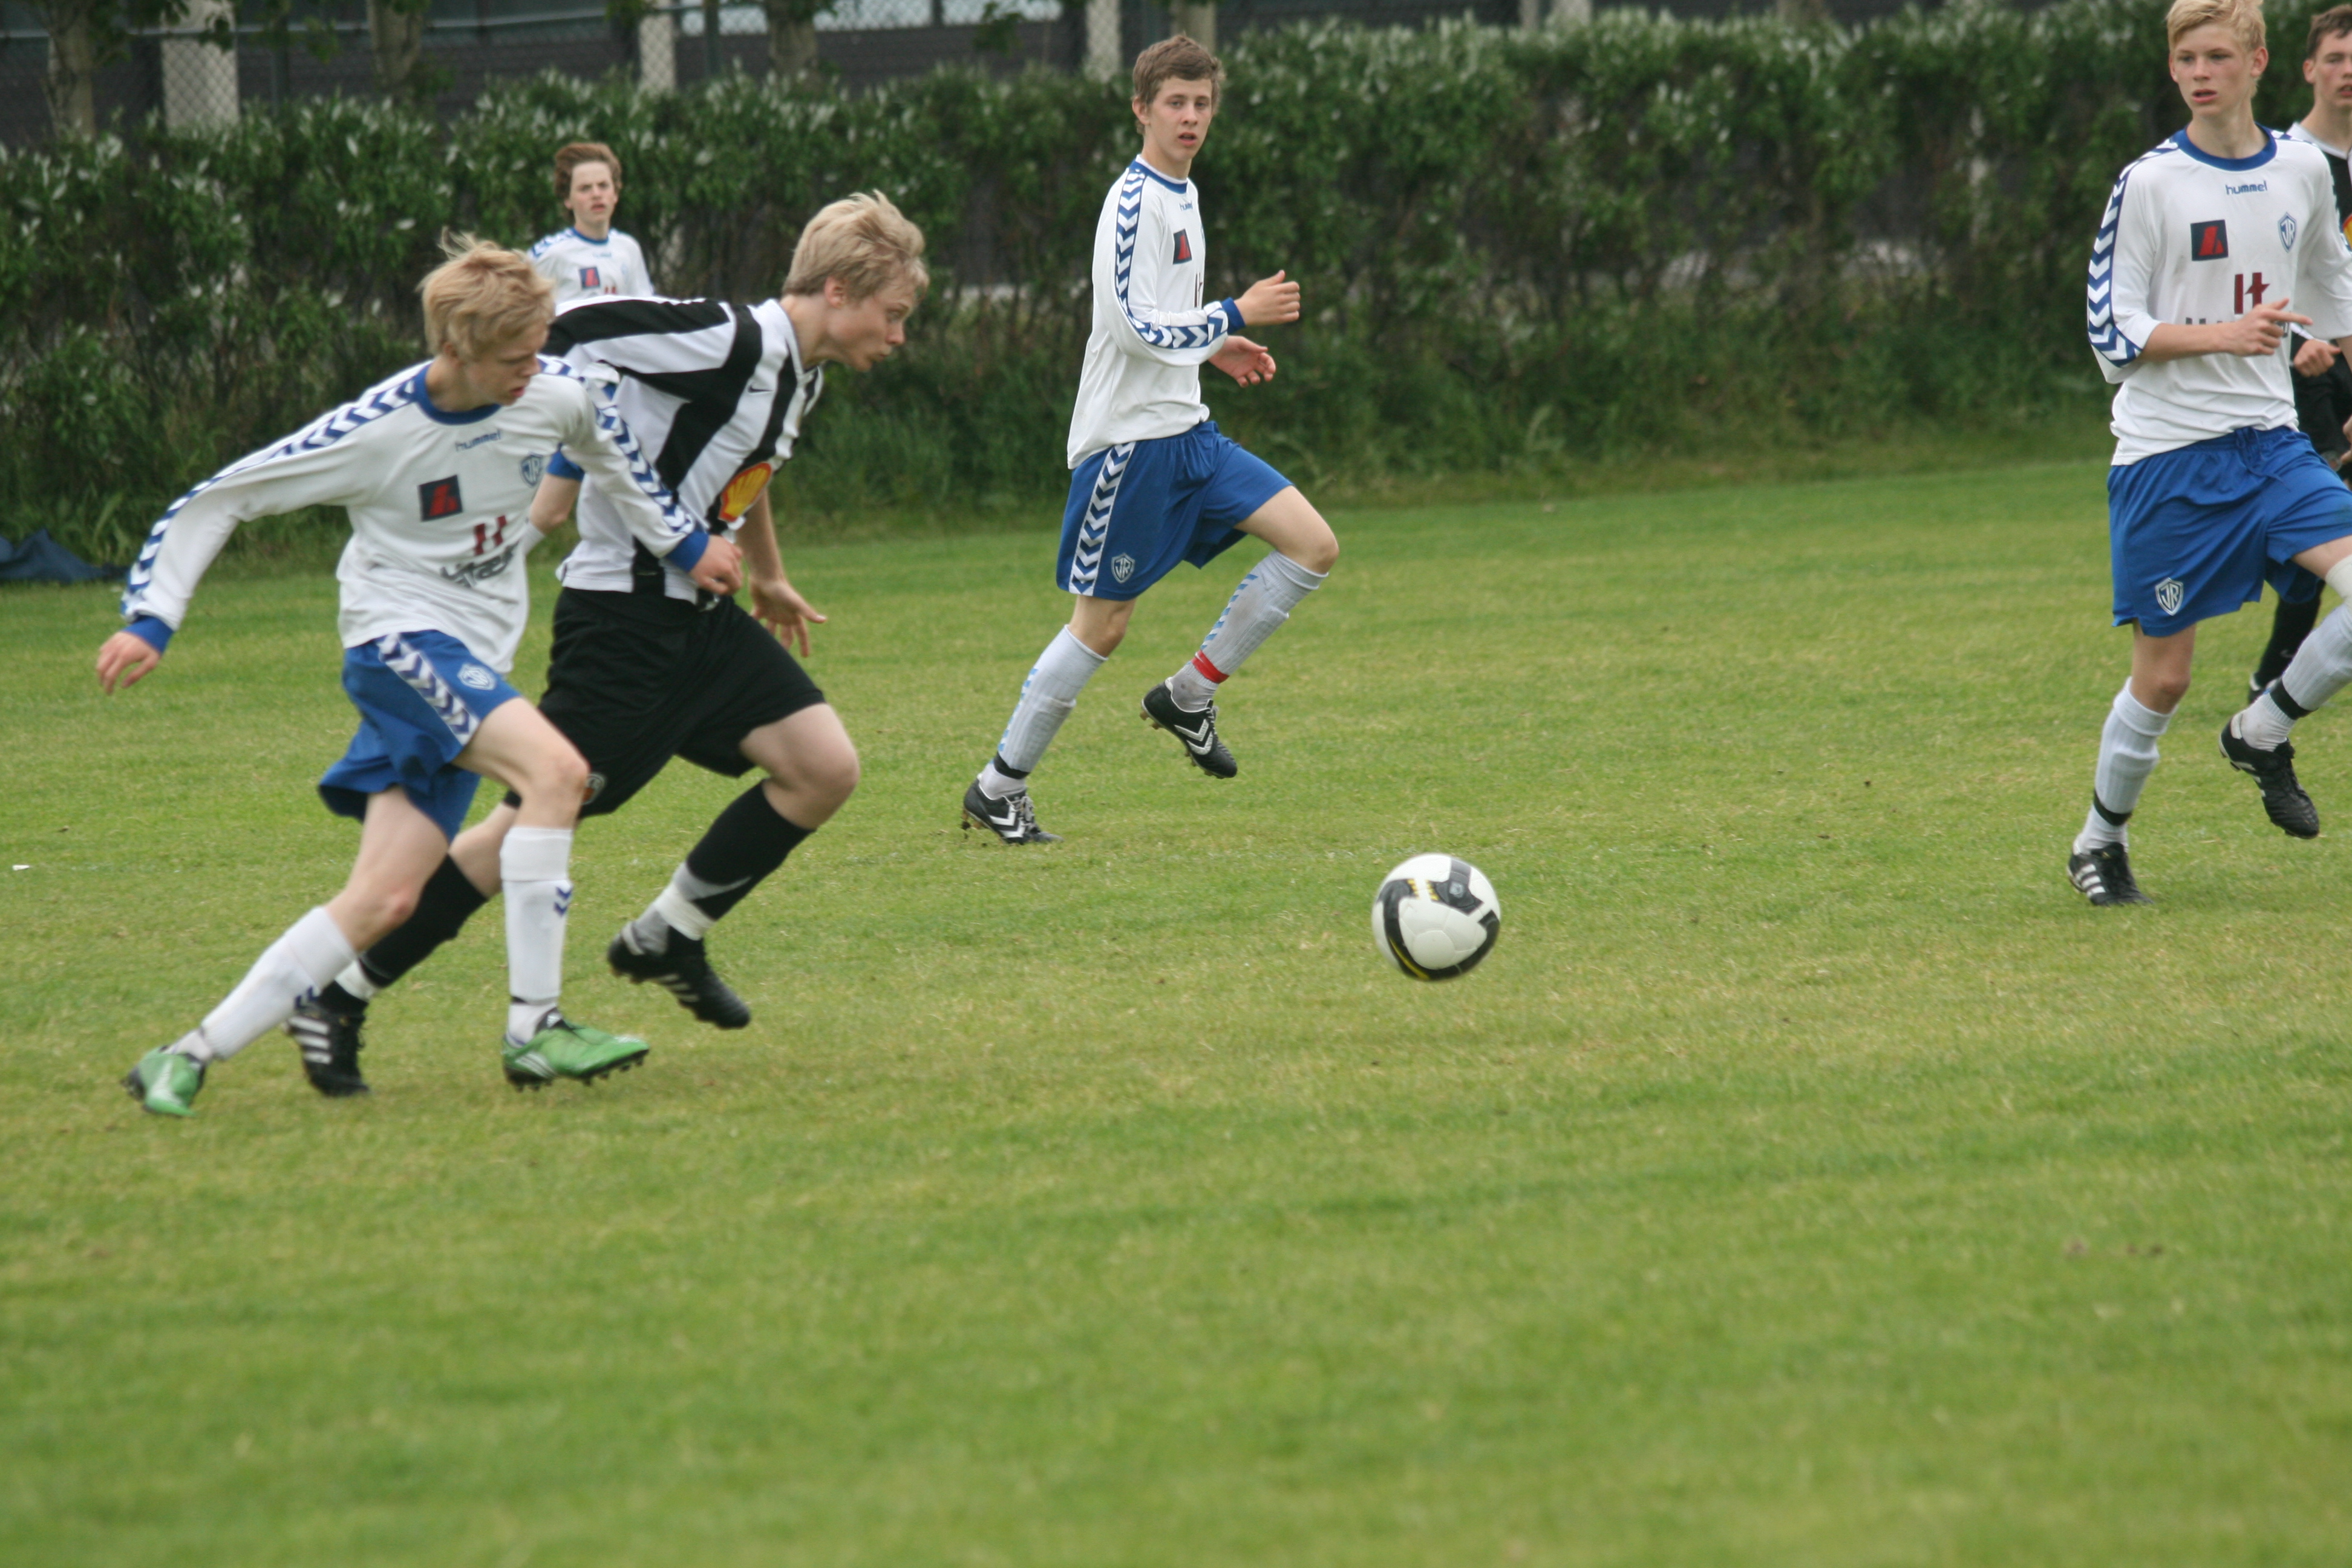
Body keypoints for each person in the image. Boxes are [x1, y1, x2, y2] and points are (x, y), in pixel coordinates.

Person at [284, 195, 927, 1097]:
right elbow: (578, 325)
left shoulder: (801, 372)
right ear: (838, 291)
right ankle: (339, 994)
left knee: (823, 768)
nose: (899, 335)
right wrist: (496, 376)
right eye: (893, 313)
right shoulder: (729, 338)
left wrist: (770, 573)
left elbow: (747, 468)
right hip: (622, 623)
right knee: (520, 828)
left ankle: (667, 936)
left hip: (701, 622)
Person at [107, 238, 738, 1117]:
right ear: (456, 349)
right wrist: (153, 617)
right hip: (397, 643)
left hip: (467, 663)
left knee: (387, 899)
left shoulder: (555, 392)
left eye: (540, 350)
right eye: (514, 359)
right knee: (558, 774)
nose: (534, 370)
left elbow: (618, 460)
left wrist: (687, 543)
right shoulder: (377, 431)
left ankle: (184, 1057)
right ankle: (536, 1027)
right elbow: (225, 496)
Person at [958, 34, 1338, 845]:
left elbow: (1165, 320)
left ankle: (1189, 695)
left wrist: (1213, 346)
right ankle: (998, 788)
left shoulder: (1185, 193)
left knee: (1312, 546)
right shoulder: (1133, 201)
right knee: (1102, 625)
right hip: (1129, 447)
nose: (1190, 117)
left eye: (1202, 103)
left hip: (1190, 432)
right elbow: (1130, 325)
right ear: (1142, 109)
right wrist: (1233, 312)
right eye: (1175, 103)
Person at [2072, 0, 2352, 906]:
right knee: (2164, 681)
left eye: (2219, 56)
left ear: (2258, 62)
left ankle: (2262, 730)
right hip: (2168, 460)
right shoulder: (2150, 183)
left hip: (2271, 448)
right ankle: (2099, 843)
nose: (2201, 72)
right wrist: (2224, 333)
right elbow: (2112, 330)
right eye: (2187, 58)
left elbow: (2333, 288)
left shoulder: (2302, 169)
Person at [2249, 4, 2352, 697]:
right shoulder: (2286, 164)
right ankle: (2276, 675)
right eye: (2336, 58)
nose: (2348, 72)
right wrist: (2299, 341)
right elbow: (2261, 272)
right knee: (2319, 523)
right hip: (2306, 372)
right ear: (2310, 69)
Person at [528, 142, 655, 306]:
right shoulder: (551, 254)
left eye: (603, 186)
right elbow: (521, 311)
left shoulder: (628, 248)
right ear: (568, 199)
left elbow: (645, 309)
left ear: (615, 194)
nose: (596, 194)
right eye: (585, 188)